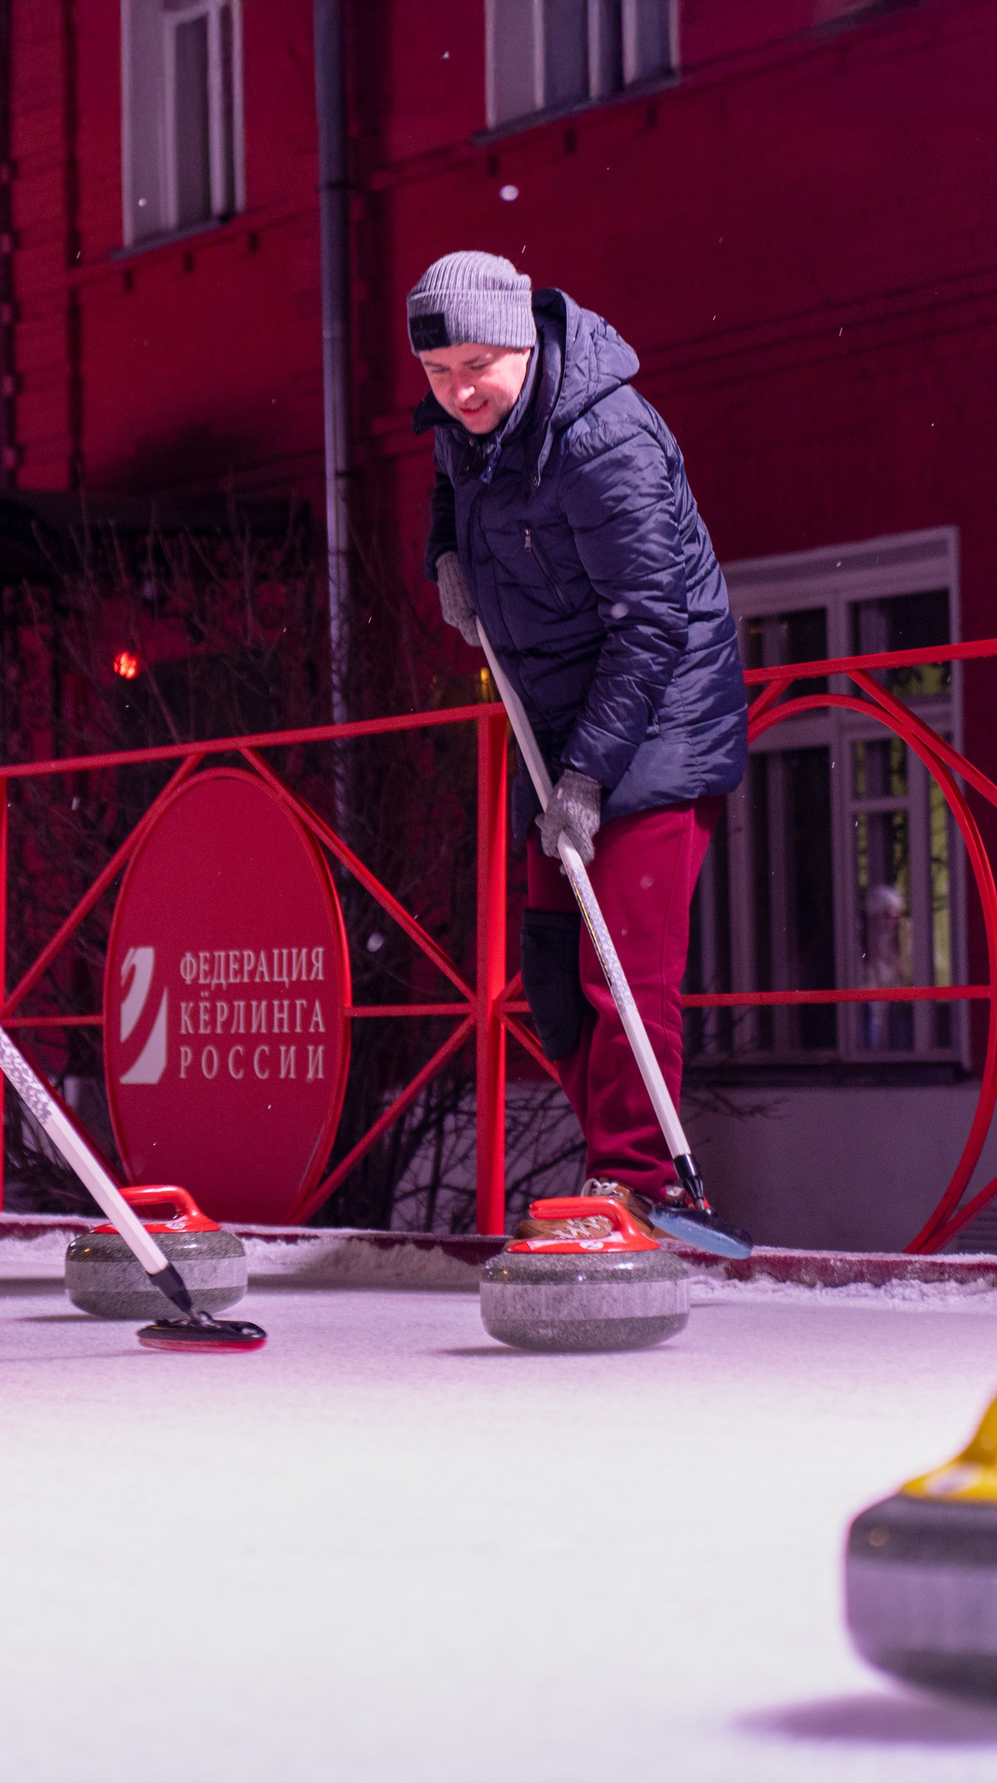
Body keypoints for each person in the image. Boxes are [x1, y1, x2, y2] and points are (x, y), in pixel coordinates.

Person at [408, 251, 746, 1233]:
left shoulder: (604, 442)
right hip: (552, 716)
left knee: (622, 972)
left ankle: (634, 1180)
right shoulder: (465, 424)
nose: (460, 391)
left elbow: (651, 621)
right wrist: (444, 558)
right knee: (553, 983)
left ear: (521, 341)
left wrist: (591, 777)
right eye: (438, 374)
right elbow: (450, 484)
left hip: (656, 714)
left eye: (477, 365)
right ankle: (622, 1162)